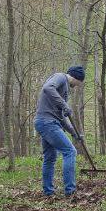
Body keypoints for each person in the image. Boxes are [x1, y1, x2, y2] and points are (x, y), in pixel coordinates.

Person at [35, 66, 85, 197]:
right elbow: (47, 88)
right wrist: (64, 104)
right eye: (80, 83)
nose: (78, 86)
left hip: (45, 122)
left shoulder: (64, 89)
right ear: (77, 78)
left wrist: (74, 133)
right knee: (70, 151)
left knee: (50, 158)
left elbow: (62, 117)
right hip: (47, 123)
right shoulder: (61, 77)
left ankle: (48, 192)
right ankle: (70, 191)